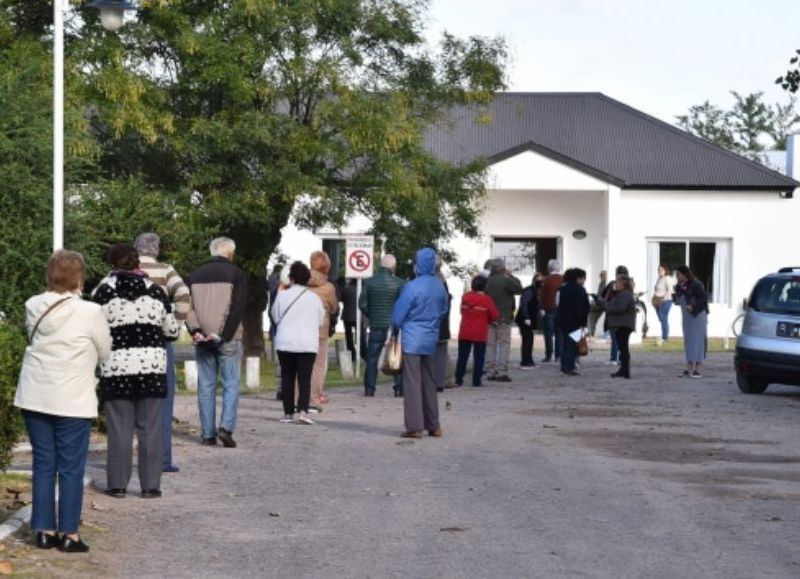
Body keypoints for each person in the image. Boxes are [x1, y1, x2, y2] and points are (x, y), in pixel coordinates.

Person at [15, 250, 112, 553]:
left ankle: (43, 530)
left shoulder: (33, 305)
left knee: (44, 463)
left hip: (35, 395)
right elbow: (106, 351)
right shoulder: (90, 312)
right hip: (72, 397)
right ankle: (69, 533)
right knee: (70, 467)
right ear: (79, 277)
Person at [92, 244, 180, 500]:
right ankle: (151, 486)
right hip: (151, 367)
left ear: (112, 263)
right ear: (136, 263)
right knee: (150, 427)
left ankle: (117, 484)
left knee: (120, 427)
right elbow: (172, 331)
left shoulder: (102, 292)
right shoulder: (155, 291)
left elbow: (94, 328)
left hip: (117, 367)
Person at [134, 232, 191, 474]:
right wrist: (174, 324)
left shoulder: (126, 269)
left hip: (129, 341)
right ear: (156, 249)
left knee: (131, 401)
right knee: (163, 400)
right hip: (158, 339)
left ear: (136, 248)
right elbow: (183, 295)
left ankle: (126, 458)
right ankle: (163, 459)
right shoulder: (166, 270)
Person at [185, 237, 248, 448]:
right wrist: (224, 334)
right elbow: (237, 308)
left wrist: (195, 330)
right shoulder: (237, 274)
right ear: (230, 252)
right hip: (228, 338)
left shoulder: (194, 275)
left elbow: (187, 308)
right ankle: (226, 427)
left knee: (206, 385)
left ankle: (207, 434)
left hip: (202, 337)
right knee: (230, 384)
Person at [391, 248, 448, 438]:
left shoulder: (412, 286)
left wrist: (395, 330)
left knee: (412, 382)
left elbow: (399, 315)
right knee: (430, 382)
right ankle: (434, 424)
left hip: (413, 338)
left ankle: (415, 426)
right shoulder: (439, 286)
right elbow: (443, 310)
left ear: (417, 265)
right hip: (430, 338)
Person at [271, 261, 326, 424]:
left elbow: (275, 316)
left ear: (291, 278)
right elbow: (320, 321)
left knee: (287, 376)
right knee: (305, 377)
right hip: (307, 343)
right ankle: (303, 411)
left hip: (285, 342)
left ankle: (288, 413)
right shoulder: (315, 299)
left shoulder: (282, 297)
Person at [359, 254, 405, 397]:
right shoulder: (399, 283)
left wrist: (373, 315)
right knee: (396, 355)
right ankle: (398, 388)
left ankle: (369, 389)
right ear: (393, 266)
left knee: (372, 357)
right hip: (394, 326)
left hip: (376, 324)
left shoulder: (369, 282)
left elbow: (362, 304)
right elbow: (402, 305)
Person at [306, 251, 339, 411]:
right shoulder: (329, 287)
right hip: (320, 330)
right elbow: (334, 308)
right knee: (318, 365)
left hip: (301, 328)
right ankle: (313, 399)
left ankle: (299, 398)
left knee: (301, 364)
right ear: (326, 267)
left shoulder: (300, 283)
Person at [455, 276, 499, 387]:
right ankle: (476, 380)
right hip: (480, 331)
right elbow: (494, 315)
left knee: (462, 357)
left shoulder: (465, 296)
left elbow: (462, 311)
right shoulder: (486, 299)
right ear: (485, 286)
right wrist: (487, 320)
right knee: (479, 357)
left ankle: (459, 379)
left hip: (465, 330)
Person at [484, 258, 523, 381]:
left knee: (490, 345)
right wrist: (511, 276)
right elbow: (519, 289)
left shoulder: (486, 281)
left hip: (489, 317)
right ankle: (502, 371)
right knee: (504, 344)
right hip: (504, 316)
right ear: (502, 268)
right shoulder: (506, 281)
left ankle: (490, 371)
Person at [674, 265, 709, 378]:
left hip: (697, 315)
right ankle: (689, 367)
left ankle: (698, 368)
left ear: (685, 275)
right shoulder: (679, 286)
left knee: (698, 340)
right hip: (687, 317)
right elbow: (680, 299)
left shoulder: (695, 284)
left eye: (678, 274)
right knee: (689, 340)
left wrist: (693, 305)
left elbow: (704, 298)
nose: (677, 277)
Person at [555, 268, 590, 376]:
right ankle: (569, 368)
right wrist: (583, 323)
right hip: (575, 322)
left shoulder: (563, 289)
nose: (584, 281)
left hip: (563, 320)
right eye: (583, 278)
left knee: (565, 344)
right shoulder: (580, 290)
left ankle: (564, 367)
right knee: (572, 346)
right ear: (578, 278)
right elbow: (583, 308)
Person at [605, 275, 636, 379]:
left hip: (624, 324)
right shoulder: (621, 294)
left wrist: (607, 307)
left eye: (617, 282)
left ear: (623, 284)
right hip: (621, 324)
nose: (615, 284)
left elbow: (620, 308)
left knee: (624, 348)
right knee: (622, 349)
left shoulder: (625, 294)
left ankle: (625, 371)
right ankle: (623, 370)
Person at [434, 256, 452, 392]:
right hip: (442, 324)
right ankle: (439, 382)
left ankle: (431, 382)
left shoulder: (425, 281)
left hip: (430, 324)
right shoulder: (443, 281)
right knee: (441, 355)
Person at [515, 273, 541, 369]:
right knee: (527, 340)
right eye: (538, 280)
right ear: (534, 280)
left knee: (529, 339)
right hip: (524, 319)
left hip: (528, 319)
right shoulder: (529, 290)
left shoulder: (535, 291)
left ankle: (529, 360)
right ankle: (525, 361)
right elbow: (524, 304)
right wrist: (526, 318)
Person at [541, 259, 564, 362]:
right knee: (559, 333)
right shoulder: (564, 279)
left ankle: (548, 355)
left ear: (549, 268)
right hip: (560, 310)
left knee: (548, 334)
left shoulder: (546, 279)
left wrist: (541, 308)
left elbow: (542, 295)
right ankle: (558, 355)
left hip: (548, 309)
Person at [653, 264, 675, 344]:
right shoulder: (659, 279)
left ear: (665, 270)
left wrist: (662, 298)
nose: (659, 271)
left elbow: (670, 290)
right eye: (658, 270)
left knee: (663, 318)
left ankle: (664, 337)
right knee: (661, 319)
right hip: (657, 301)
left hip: (666, 301)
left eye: (661, 270)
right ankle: (664, 336)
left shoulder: (667, 278)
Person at [340, 278, 358, 363]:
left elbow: (341, 298)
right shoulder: (361, 290)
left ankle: (352, 355)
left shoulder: (346, 289)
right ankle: (361, 353)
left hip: (347, 316)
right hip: (358, 317)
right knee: (360, 337)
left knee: (349, 337)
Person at [588, 270, 607, 338]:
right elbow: (599, 295)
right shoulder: (601, 283)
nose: (601, 276)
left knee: (589, 306)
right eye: (600, 275)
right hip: (600, 303)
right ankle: (591, 331)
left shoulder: (606, 283)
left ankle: (590, 331)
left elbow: (603, 296)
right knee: (591, 314)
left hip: (604, 303)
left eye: (602, 275)